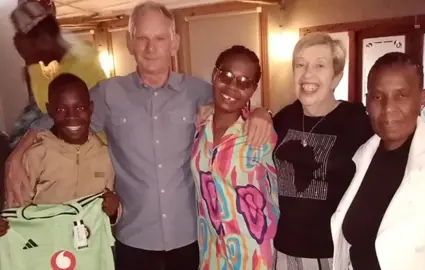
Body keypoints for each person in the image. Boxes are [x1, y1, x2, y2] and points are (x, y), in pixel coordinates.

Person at [4, 2, 273, 270]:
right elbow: (60, 115)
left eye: (159, 38)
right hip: (133, 239)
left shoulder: (199, 92)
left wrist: (262, 112)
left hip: (191, 238)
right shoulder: (109, 94)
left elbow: (235, 103)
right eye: (142, 38)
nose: (151, 48)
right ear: (130, 42)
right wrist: (16, 155)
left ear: (174, 42)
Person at [271, 33, 425, 270]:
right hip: (286, 250)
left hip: (327, 255)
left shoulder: (357, 120)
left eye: (319, 65)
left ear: (336, 76)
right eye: (300, 64)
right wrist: (259, 115)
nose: (308, 73)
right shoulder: (282, 119)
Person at [332, 52, 425, 270]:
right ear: (367, 101)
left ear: (422, 99)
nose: (388, 108)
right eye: (378, 97)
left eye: (401, 95)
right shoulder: (363, 154)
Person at [0, 73, 120, 270]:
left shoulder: (105, 155)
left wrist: (114, 211)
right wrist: (6, 224)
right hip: (46, 255)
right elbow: (15, 210)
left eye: (80, 108)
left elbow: (108, 208)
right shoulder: (35, 155)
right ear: (49, 111)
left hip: (89, 255)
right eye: (61, 109)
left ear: (91, 108)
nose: (72, 117)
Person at [191, 45, 279, 269]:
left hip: (254, 255)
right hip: (211, 252)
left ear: (253, 90)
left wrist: (264, 111)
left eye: (244, 82)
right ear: (214, 75)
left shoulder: (262, 133)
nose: (232, 87)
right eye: (226, 76)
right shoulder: (199, 128)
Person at [9, 0, 107, 147]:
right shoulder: (76, 53)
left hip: (93, 151)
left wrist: (30, 61)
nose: (38, 60)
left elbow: (47, 109)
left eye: (31, 48)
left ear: (45, 40)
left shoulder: (79, 68)